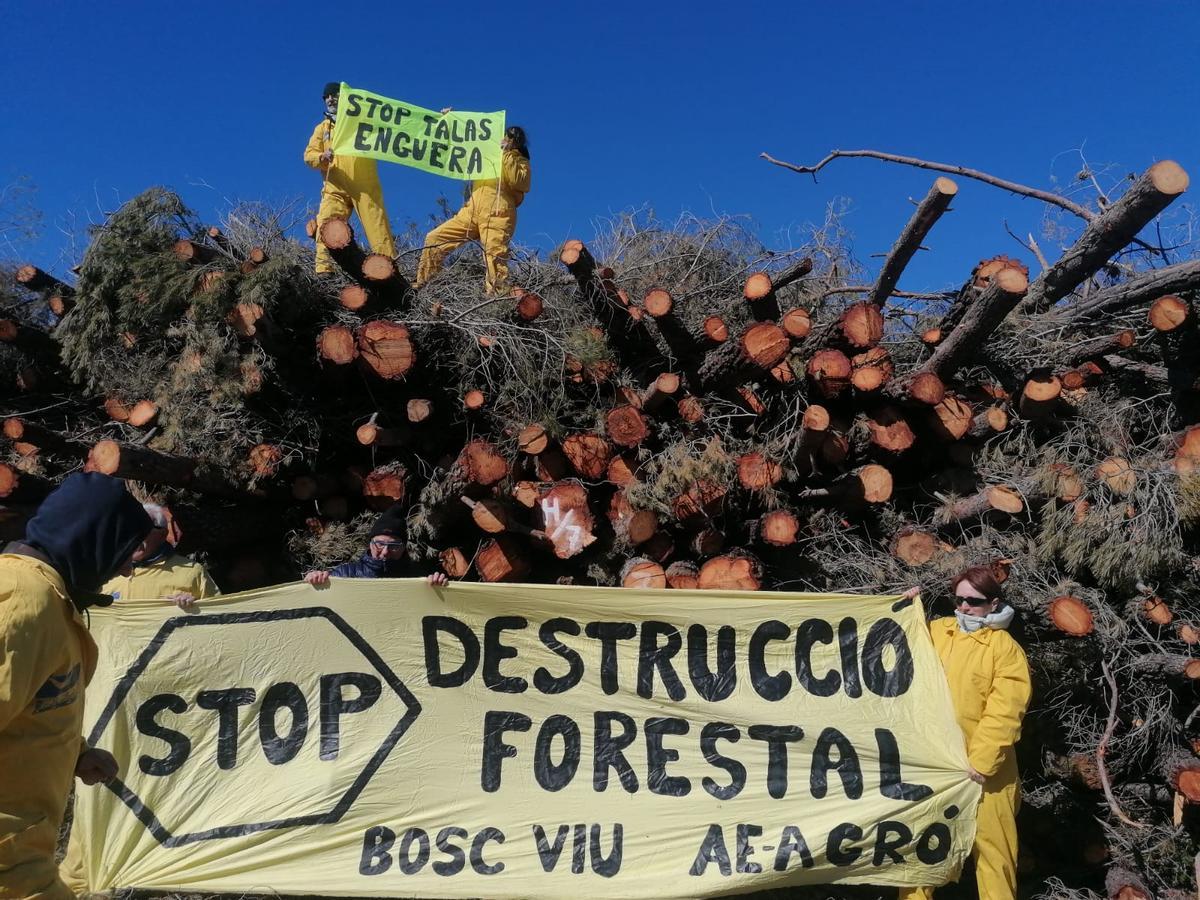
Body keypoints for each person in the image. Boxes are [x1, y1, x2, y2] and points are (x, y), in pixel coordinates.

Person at [0, 473, 152, 899]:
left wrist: (76, 753)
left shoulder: (48, 600)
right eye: (124, 550)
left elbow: (26, 707)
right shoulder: (19, 603)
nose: (128, 566)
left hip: (24, 857)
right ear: (92, 537)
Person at [898, 567, 1032, 900]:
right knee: (920, 851)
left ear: (993, 602)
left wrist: (982, 762)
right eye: (958, 599)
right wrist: (903, 608)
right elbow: (900, 639)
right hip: (936, 765)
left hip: (988, 774)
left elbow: (1006, 711)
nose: (964, 607)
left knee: (993, 855)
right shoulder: (939, 630)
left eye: (973, 601)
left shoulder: (1005, 648)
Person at [415, 125, 532, 295]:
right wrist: (450, 122)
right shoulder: (486, 154)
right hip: (471, 212)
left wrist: (507, 154)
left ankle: (497, 302)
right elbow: (460, 144)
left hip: (498, 212)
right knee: (435, 239)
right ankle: (425, 287)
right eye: (505, 136)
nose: (506, 139)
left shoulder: (520, 161)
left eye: (511, 138)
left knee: (494, 258)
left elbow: (520, 183)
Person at [304, 81, 396, 275]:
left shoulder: (363, 121)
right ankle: (324, 271)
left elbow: (397, 124)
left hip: (364, 186)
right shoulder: (323, 128)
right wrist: (322, 157)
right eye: (326, 96)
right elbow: (309, 155)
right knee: (326, 223)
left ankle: (389, 273)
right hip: (335, 186)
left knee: (378, 229)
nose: (330, 99)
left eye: (334, 95)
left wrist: (435, 120)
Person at [100, 503, 221, 609]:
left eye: (142, 529)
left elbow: (219, 617)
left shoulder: (193, 572)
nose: (133, 537)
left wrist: (196, 607)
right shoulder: (105, 572)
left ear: (162, 534)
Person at [304, 505, 446, 586]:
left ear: (404, 548)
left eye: (394, 545)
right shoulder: (346, 574)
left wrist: (438, 588)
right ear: (370, 544)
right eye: (379, 544)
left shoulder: (417, 578)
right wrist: (312, 582)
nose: (385, 552)